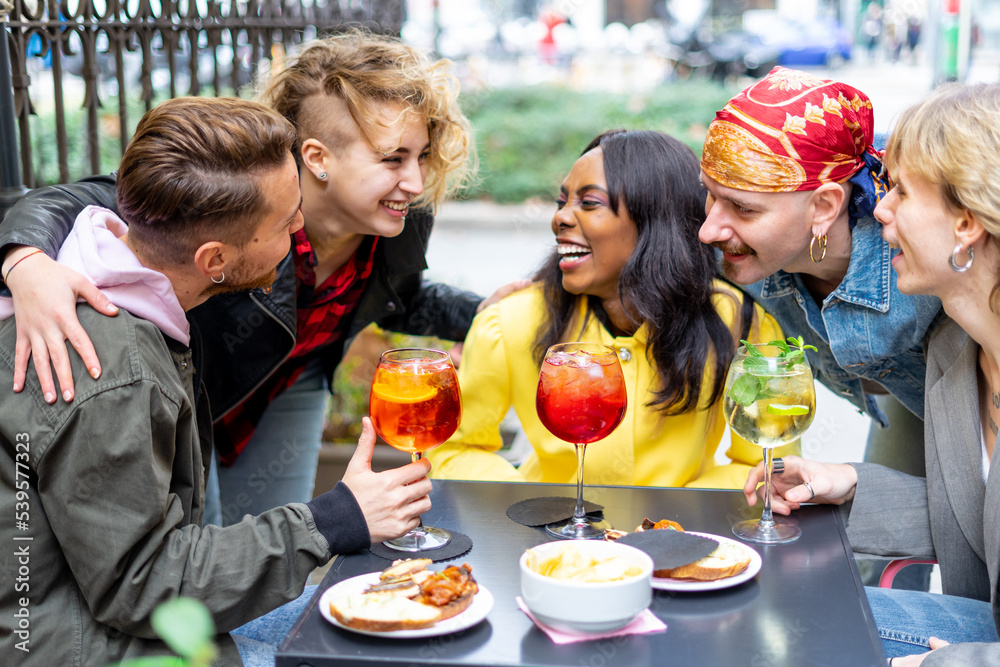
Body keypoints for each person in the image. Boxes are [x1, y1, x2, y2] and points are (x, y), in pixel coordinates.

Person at [0, 30, 499, 525]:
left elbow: (395, 297)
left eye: (423, 155)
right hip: (199, 385)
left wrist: (495, 315)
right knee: (203, 539)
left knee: (280, 534)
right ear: (318, 158)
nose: (415, 181)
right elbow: (78, 199)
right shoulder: (244, 191)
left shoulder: (400, 218)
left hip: (295, 381)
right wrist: (25, 261)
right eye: (393, 158)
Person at [0, 97, 432, 666]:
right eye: (285, 222)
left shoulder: (106, 266)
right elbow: (143, 585)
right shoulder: (114, 370)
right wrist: (335, 518)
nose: (300, 227)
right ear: (215, 260)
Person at [744, 83, 1000, 665]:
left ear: (966, 223)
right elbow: (976, 517)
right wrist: (850, 485)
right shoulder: (955, 358)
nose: (878, 208)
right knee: (762, 604)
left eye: (900, 192)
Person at [426, 129, 794, 488]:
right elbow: (457, 448)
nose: (560, 218)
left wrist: (674, 517)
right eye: (562, 202)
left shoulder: (744, 327)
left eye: (589, 203)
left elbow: (766, 465)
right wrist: (532, 504)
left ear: (656, 222)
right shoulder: (509, 322)